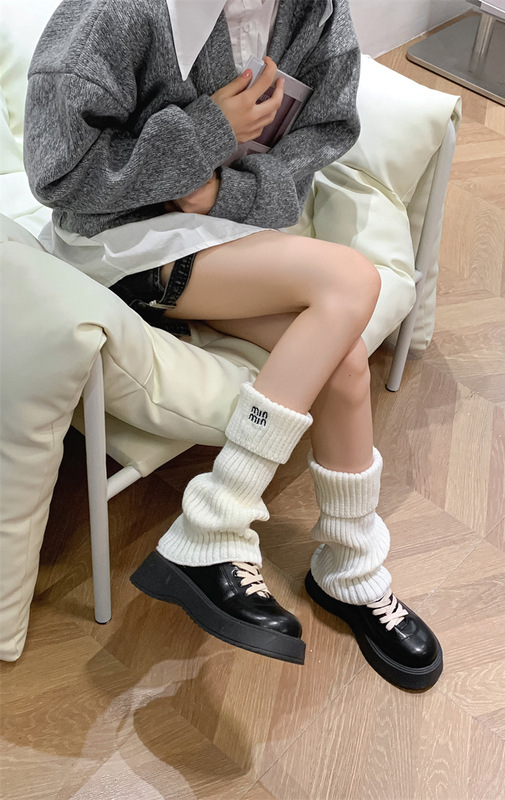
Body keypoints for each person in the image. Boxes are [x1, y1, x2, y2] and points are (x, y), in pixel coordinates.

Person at [24, 0, 442, 690]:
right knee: (352, 280)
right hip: (116, 242)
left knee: (342, 363)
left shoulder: (315, 10)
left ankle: (349, 567)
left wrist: (219, 193)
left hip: (224, 232)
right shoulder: (120, 11)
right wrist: (207, 131)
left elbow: (324, 133)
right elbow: (58, 171)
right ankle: (215, 519)